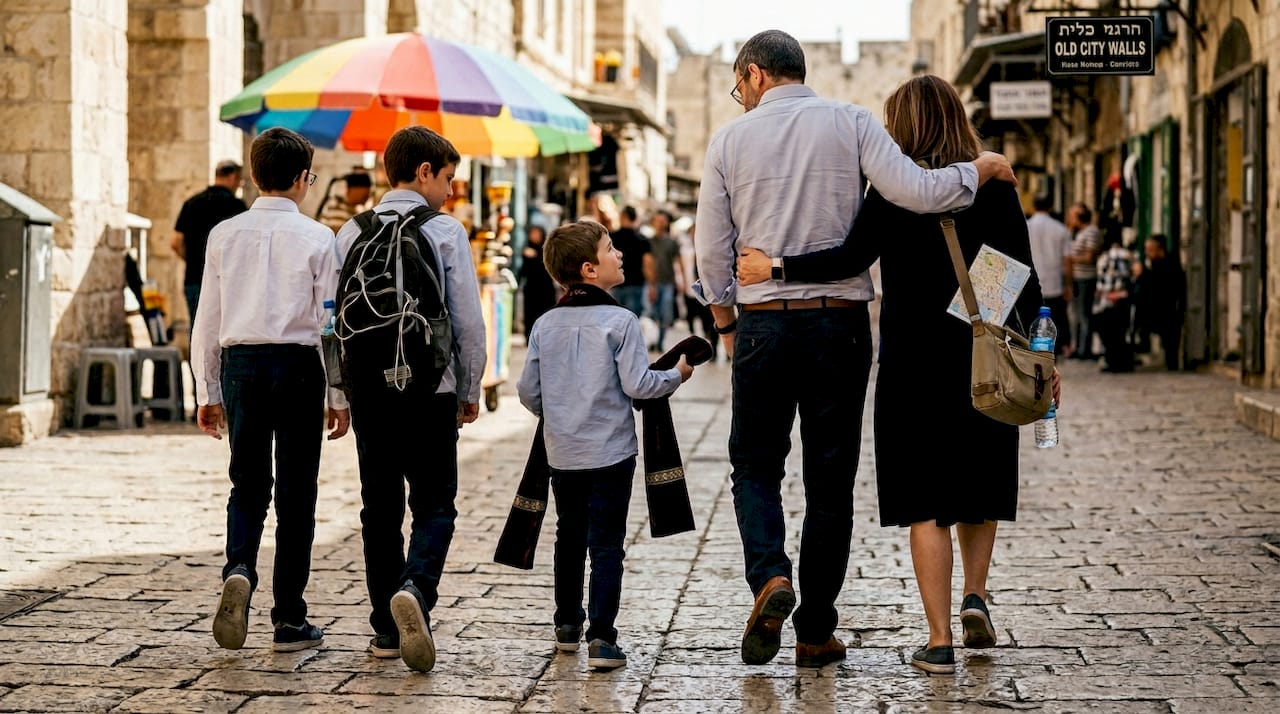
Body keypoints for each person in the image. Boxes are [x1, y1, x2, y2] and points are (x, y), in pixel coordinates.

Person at [692, 31, 1016, 669]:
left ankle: (771, 579)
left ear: (755, 75)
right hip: (842, 326)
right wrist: (979, 169)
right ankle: (815, 631)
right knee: (830, 483)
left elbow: (710, 252)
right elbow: (922, 195)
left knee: (755, 466)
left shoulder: (730, 139)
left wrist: (727, 325)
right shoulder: (853, 122)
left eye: (739, 87)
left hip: (767, 327)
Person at [190, 128, 350, 654]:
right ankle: (289, 617)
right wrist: (338, 396)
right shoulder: (319, 238)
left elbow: (207, 318)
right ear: (304, 179)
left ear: (254, 176)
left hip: (241, 365)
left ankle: (239, 568)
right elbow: (331, 325)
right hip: (299, 366)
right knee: (297, 494)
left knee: (248, 482)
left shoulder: (224, 234)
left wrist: (206, 389)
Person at [334, 126, 486, 673]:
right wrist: (469, 389)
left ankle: (384, 630)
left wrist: (339, 394)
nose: (449, 190)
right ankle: (417, 589)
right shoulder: (445, 231)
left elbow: (331, 322)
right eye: (447, 178)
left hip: (370, 390)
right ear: (424, 171)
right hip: (430, 388)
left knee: (379, 508)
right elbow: (468, 320)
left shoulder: (349, 232)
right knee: (436, 503)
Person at [516, 220, 695, 671]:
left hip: (563, 452)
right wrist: (676, 375)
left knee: (569, 536)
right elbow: (639, 385)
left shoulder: (545, 324)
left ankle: (566, 625)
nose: (621, 255)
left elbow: (528, 391)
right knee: (608, 543)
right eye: (611, 248)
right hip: (612, 452)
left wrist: (558, 414)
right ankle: (602, 636)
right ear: (590, 268)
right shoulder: (621, 320)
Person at [171, 159, 247, 323]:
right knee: (224, 332)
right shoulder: (236, 207)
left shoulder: (192, 203)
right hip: (226, 281)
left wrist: (192, 258)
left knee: (197, 329)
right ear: (233, 177)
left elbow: (175, 242)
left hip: (194, 277)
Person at [1026, 194, 1073, 355]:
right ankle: (1057, 350)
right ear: (1050, 207)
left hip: (1031, 282)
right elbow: (1067, 260)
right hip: (1054, 282)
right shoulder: (1060, 229)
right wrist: (1069, 285)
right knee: (1057, 320)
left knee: (1033, 321)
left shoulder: (1026, 226)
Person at [1133, 234, 1185, 370]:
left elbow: (1160, 285)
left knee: (1169, 338)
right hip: (1152, 308)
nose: (1147, 253)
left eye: (1150, 250)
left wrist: (1143, 274)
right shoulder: (1152, 264)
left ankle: (1171, 362)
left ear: (1159, 249)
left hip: (1166, 308)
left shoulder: (1170, 265)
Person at [1093, 227, 1136, 373]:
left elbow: (1101, 282)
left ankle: (1112, 362)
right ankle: (1124, 362)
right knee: (1122, 332)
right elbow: (1135, 274)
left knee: (1109, 334)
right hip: (1123, 297)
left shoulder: (1104, 257)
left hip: (1107, 299)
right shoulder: (1129, 256)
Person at [643, 210, 684, 352]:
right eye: (657, 220)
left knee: (665, 315)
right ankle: (652, 340)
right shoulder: (648, 242)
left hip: (668, 282)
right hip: (651, 283)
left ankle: (660, 342)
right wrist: (650, 284)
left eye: (662, 221)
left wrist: (681, 280)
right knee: (651, 313)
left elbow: (677, 262)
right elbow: (646, 263)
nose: (660, 223)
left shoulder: (672, 242)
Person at [1066, 203, 1101, 359]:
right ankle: (1077, 345)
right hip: (1077, 277)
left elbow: (1090, 257)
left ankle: (1085, 348)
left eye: (1072, 215)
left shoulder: (1091, 232)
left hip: (1086, 278)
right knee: (1076, 313)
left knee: (1084, 313)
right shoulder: (1078, 233)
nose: (1070, 219)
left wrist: (1071, 260)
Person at [609, 206, 650, 317]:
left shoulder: (612, 237)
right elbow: (647, 264)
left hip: (615, 284)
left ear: (623, 217)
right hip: (636, 283)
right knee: (632, 319)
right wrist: (652, 285)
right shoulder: (642, 239)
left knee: (615, 320)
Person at [519, 224, 557, 337]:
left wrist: (536, 256)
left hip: (545, 290)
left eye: (537, 234)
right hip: (531, 290)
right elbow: (523, 272)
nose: (534, 236)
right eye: (532, 234)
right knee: (530, 316)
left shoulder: (547, 251)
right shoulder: (527, 250)